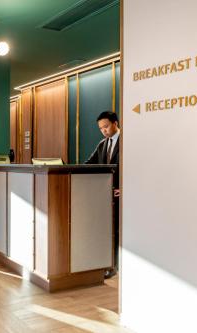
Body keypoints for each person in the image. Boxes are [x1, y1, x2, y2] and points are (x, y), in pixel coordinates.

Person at [86, 111, 120, 278]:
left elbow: (137, 167)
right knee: (105, 231)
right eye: (101, 128)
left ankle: (113, 266)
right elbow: (88, 164)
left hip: (120, 197)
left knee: (115, 232)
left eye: (106, 126)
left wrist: (126, 188)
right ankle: (106, 264)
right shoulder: (102, 144)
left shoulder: (127, 142)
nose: (104, 131)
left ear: (115, 123)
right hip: (103, 196)